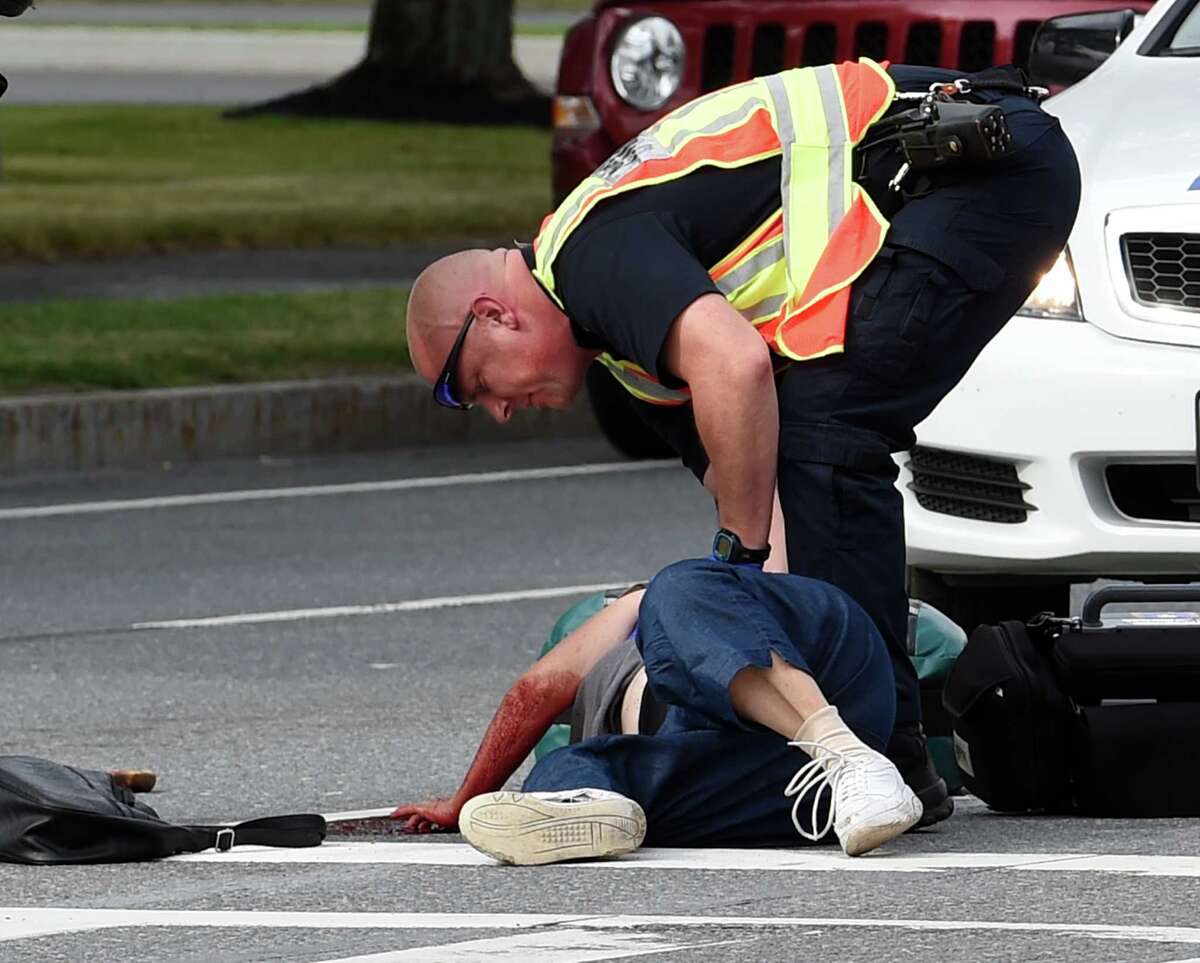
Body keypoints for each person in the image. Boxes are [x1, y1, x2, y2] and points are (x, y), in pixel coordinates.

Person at [405, 60, 1082, 828]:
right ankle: (839, 759)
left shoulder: (589, 253)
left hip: (980, 164)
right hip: (959, 176)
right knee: (809, 445)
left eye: (471, 385)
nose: (494, 410)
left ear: (494, 315)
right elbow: (770, 496)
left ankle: (883, 757)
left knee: (827, 431)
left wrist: (732, 572)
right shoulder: (635, 360)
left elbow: (737, 364)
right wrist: (756, 611)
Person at [392, 560, 922, 863]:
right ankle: (595, 810)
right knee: (554, 781)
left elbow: (534, 694)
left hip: (825, 676)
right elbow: (533, 697)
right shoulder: (593, 752)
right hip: (793, 783)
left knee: (674, 587)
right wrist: (475, 803)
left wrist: (464, 798)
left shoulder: (658, 606)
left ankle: (845, 752)